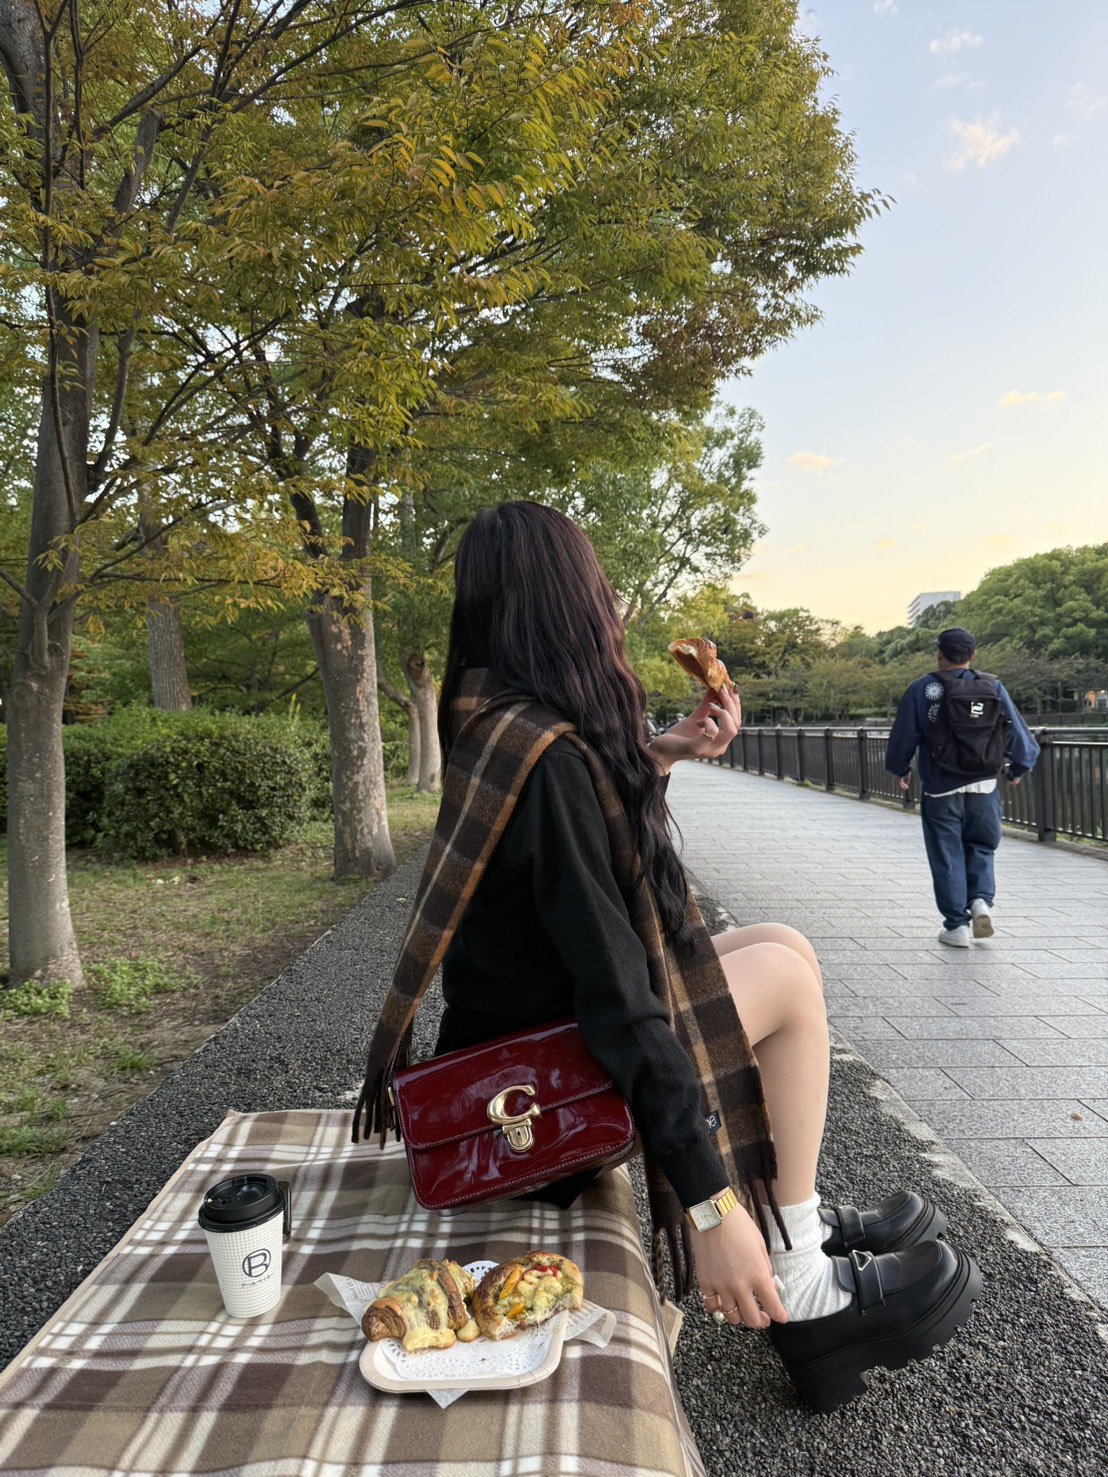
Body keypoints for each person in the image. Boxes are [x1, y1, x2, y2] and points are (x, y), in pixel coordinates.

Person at [356, 503, 981, 1412]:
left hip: (516, 1045)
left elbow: (572, 845)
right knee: (788, 983)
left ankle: (791, 1218)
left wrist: (664, 752)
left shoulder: (491, 718)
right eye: (596, 586)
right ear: (563, 605)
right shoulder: (546, 760)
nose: (610, 604)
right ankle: (802, 1283)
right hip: (533, 1105)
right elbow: (618, 997)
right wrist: (709, 1207)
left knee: (783, 943)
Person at [885, 627, 1040, 947]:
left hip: (941, 786)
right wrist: (1019, 768)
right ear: (973, 656)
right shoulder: (992, 685)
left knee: (947, 852)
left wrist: (901, 769)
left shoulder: (923, 688)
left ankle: (956, 926)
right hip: (984, 783)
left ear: (939, 654)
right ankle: (980, 899)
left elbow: (904, 734)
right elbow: (1016, 731)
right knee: (981, 846)